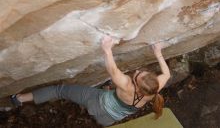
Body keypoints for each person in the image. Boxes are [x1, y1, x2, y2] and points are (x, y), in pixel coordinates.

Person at [10, 35, 170, 127]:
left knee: (59, 90)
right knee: (109, 92)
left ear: (134, 84)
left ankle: (19, 99)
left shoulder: (126, 84)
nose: (138, 71)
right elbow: (167, 75)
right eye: (142, 72)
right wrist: (158, 51)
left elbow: (113, 71)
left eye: (137, 75)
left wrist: (107, 49)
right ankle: (106, 94)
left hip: (96, 103)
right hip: (108, 119)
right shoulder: (153, 89)